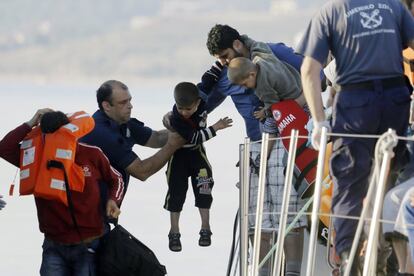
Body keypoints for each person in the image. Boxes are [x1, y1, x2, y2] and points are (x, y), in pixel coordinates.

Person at [297, 0, 414, 274]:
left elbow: (308, 71)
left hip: (357, 103)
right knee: (392, 170)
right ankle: (388, 253)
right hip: (396, 98)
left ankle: (350, 255)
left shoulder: (331, 12)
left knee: (350, 178)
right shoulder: (394, 7)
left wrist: (319, 121)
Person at [203, 24, 308, 276]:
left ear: (238, 45)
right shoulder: (225, 73)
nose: (225, 63)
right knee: (255, 219)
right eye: (220, 60)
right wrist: (174, 118)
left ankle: (291, 272)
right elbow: (200, 105)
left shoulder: (274, 53)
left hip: (288, 142)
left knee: (290, 215)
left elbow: (317, 79)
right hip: (255, 150)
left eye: (226, 56)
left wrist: (290, 108)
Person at [0, 109, 124, 276]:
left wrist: (113, 200)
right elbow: (4, 148)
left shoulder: (91, 154)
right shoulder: (36, 158)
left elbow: (116, 179)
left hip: (89, 244)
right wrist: (30, 123)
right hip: (53, 245)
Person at [80, 80, 185, 198]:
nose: (130, 106)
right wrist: (172, 145)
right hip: (89, 208)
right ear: (107, 106)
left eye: (129, 100)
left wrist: (182, 124)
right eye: (123, 103)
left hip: (108, 205)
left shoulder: (122, 122)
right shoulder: (102, 133)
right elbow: (142, 171)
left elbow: (157, 138)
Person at [163, 82, 232, 252]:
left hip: (197, 155)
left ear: (197, 102)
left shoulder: (202, 100)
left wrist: (221, 63)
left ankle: (205, 228)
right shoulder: (175, 118)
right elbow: (194, 138)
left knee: (204, 188)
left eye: (188, 109)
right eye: (181, 109)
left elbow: (209, 79)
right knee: (176, 194)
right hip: (179, 155)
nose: (184, 113)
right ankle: (174, 231)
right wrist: (216, 127)